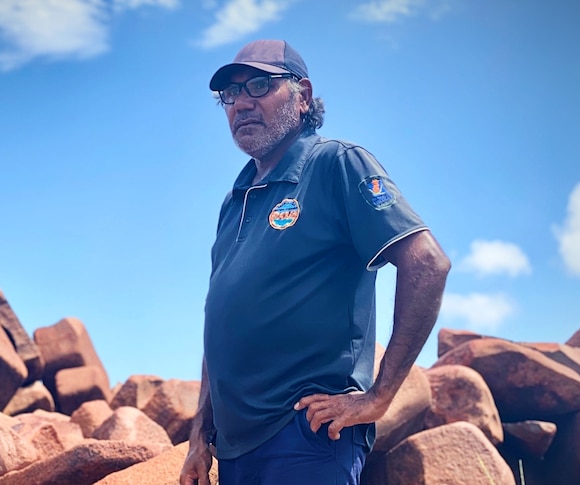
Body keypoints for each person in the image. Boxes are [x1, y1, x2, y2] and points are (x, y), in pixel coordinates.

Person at [179, 40, 451, 485]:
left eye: (260, 85)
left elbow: (427, 264)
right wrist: (199, 437)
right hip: (235, 452)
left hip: (307, 437)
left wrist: (379, 397)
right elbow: (223, 326)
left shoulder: (336, 164)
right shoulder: (235, 202)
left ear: (303, 96)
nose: (242, 102)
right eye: (230, 94)